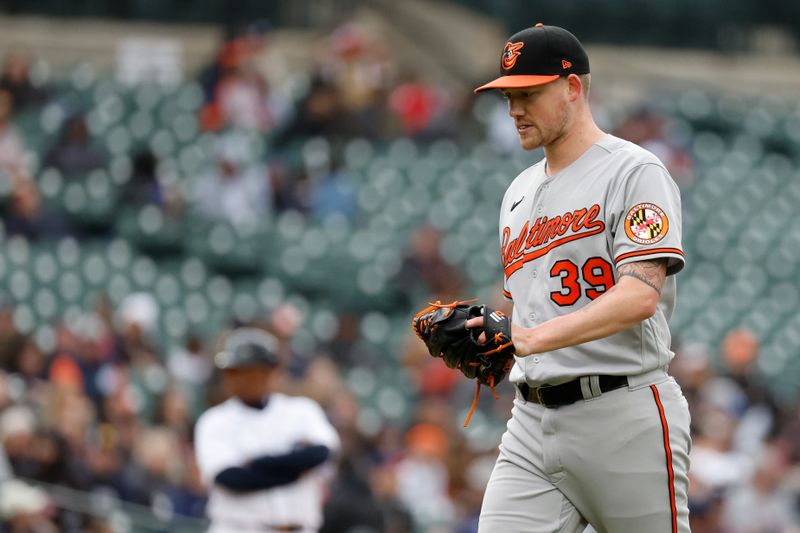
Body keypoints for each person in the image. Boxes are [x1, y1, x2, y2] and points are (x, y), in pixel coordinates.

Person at [468, 24, 691, 532]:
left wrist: (524, 338)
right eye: (508, 96)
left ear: (572, 87)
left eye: (528, 93)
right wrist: (492, 337)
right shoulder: (517, 193)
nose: (514, 109)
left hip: (622, 412)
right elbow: (532, 315)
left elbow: (638, 296)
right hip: (530, 421)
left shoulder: (633, 170)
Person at [194, 327, 340, 533]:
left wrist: (257, 463)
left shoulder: (302, 410)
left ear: (268, 372)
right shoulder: (214, 421)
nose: (234, 378)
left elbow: (321, 453)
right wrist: (295, 467)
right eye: (231, 371)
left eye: (245, 370)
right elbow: (232, 478)